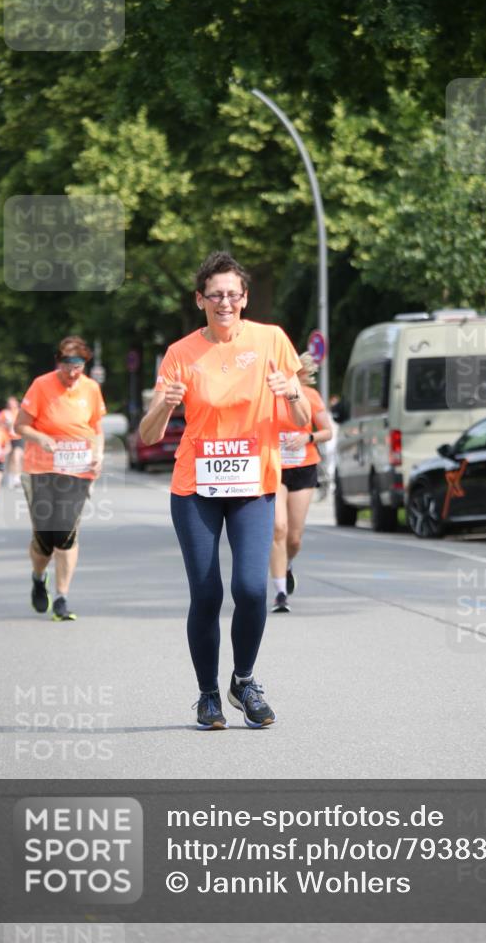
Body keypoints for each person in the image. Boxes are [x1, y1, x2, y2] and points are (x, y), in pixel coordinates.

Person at [139, 250, 309, 731]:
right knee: (207, 593)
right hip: (195, 487)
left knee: (252, 589)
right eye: (216, 295)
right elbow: (149, 435)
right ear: (200, 300)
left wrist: (290, 391)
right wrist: (164, 405)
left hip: (252, 485)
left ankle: (245, 681)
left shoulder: (272, 341)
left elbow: (300, 421)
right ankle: (208, 695)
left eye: (233, 294)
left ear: (245, 298)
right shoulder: (180, 353)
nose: (226, 302)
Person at [15, 336, 106, 621]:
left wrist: (98, 455)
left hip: (78, 470)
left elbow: (97, 428)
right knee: (45, 536)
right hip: (41, 468)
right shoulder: (41, 385)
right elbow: (20, 426)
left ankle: (62, 598)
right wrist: (40, 437)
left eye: (78, 365)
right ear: (59, 363)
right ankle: (38, 577)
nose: (73, 372)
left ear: (84, 364)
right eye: (68, 365)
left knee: (65, 533)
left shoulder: (91, 389)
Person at [269, 353, 333, 612]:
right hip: (274, 467)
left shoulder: (309, 395)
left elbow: (327, 431)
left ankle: (287, 564)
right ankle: (280, 593)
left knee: (294, 538)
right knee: (278, 528)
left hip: (304, 466)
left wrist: (307, 439)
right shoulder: (268, 395)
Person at [1, 396, 24, 488]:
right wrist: (6, 424)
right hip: (7, 438)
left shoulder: (20, 412)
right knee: (10, 459)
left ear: (16, 403)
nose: (11, 405)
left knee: (16, 456)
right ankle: (10, 476)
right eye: (9, 403)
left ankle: (17, 477)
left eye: (13, 403)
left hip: (18, 437)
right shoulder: (4, 413)